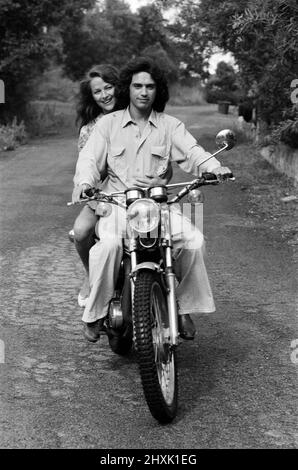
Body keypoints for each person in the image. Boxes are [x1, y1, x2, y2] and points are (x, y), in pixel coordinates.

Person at [73, 57, 232, 343]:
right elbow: (88, 159)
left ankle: (182, 307)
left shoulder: (170, 125)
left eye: (150, 86)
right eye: (137, 86)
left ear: (158, 91)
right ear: (128, 89)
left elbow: (193, 152)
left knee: (194, 241)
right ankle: (96, 313)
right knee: (107, 245)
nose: (143, 92)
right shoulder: (108, 124)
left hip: (158, 205)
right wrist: (85, 183)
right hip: (119, 205)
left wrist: (213, 168)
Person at [71, 64, 121, 307]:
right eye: (98, 92)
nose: (105, 95)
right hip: (104, 197)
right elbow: (86, 169)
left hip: (137, 194)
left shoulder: (137, 114)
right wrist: (92, 198)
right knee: (81, 231)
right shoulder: (89, 128)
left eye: (109, 87)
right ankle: (92, 273)